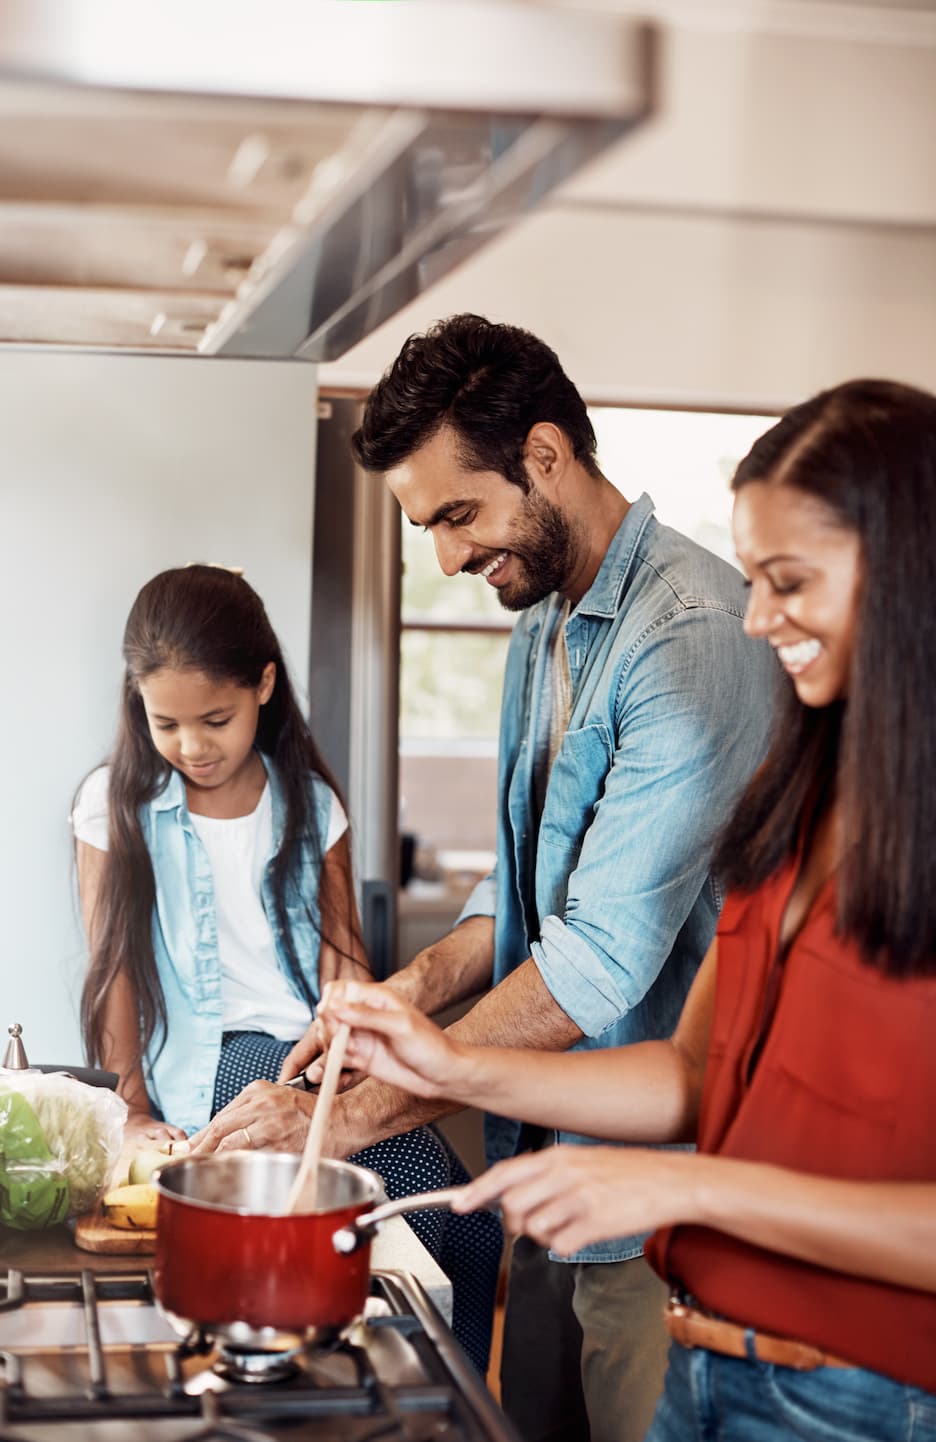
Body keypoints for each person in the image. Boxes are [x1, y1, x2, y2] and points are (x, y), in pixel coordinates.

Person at [315, 377, 936, 1442]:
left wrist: (684, 1191)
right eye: (753, 578)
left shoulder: (684, 642)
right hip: (708, 1351)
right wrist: (448, 1064)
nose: (755, 618)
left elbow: (601, 960)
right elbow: (695, 1074)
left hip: (855, 1394)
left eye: (787, 580)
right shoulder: (801, 797)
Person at [191, 316, 774, 1441]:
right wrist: (410, 988)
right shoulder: (545, 618)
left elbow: (587, 970)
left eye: (458, 515)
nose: (448, 558)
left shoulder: (690, 639)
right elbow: (515, 888)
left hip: (658, 1205)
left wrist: (341, 1113)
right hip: (542, 1173)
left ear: (545, 456)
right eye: (428, 528)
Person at [72, 564, 501, 1372]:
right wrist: (128, 1106)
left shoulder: (310, 804)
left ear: (264, 684)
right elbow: (113, 968)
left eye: (216, 719)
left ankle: (445, 1405)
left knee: (473, 1216)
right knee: (404, 1177)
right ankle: (366, 1382)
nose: (193, 746)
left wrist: (361, 1068)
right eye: (165, 722)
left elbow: (345, 965)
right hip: (217, 1060)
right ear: (137, 702)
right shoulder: (113, 806)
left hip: (307, 1054)